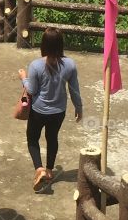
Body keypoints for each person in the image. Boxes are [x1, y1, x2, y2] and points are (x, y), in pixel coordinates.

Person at [19, 28, 82, 192]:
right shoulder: (70, 64)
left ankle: (39, 169)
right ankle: (49, 170)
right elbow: (74, 90)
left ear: (44, 45)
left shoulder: (36, 65)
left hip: (39, 110)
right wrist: (78, 107)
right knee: (52, 138)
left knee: (33, 139)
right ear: (61, 44)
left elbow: (31, 91)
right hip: (58, 111)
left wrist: (23, 78)